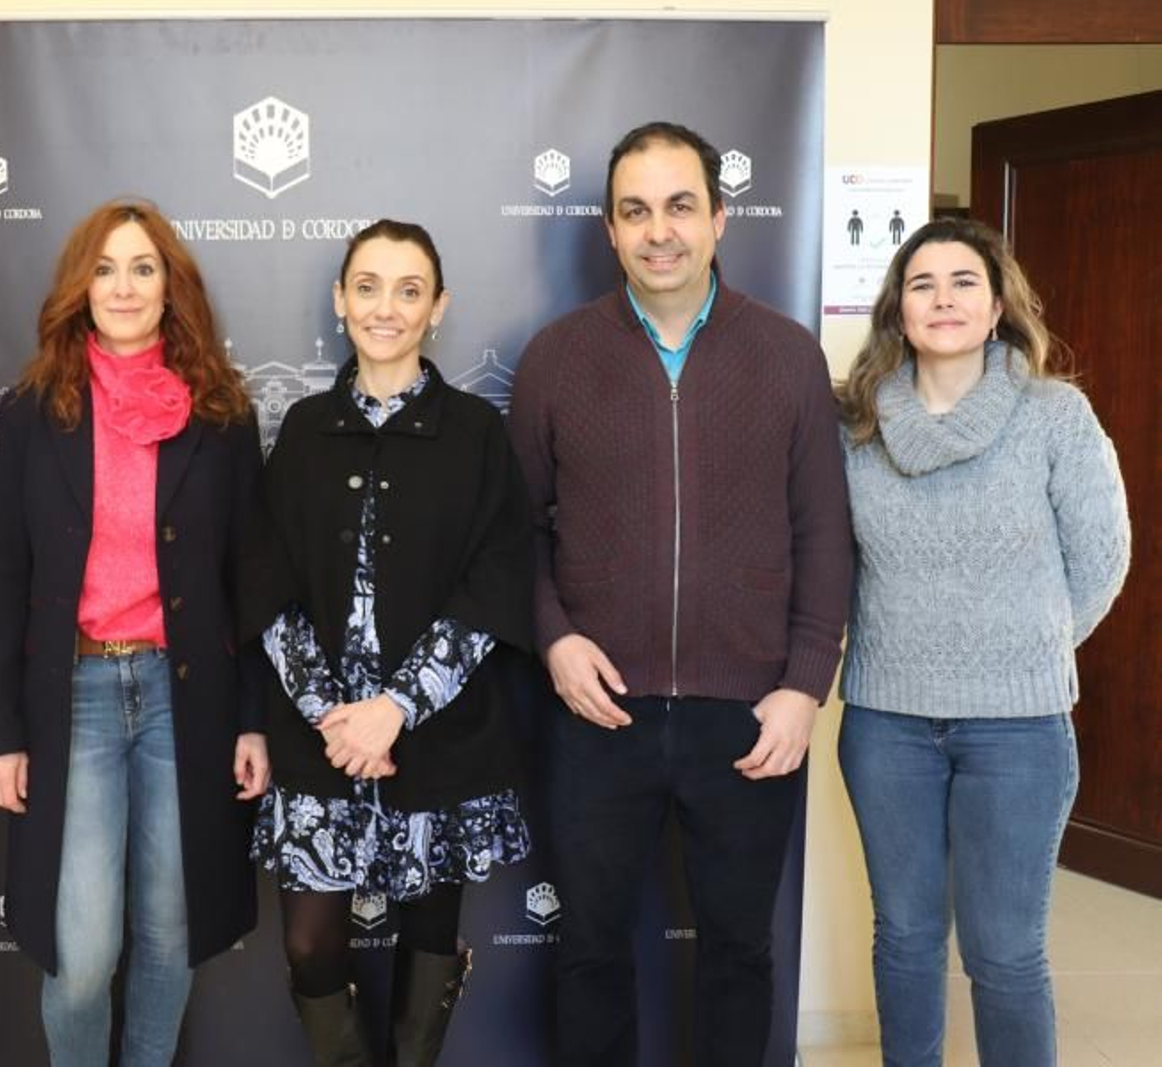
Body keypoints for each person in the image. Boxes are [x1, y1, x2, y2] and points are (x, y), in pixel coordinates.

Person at [508, 121, 854, 1065]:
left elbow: (825, 533)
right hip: (594, 710)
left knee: (741, 952)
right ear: (610, 232)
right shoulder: (555, 358)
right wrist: (553, 638)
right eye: (635, 211)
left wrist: (802, 686)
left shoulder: (786, 356)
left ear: (719, 219)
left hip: (748, 715)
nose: (659, 230)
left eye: (679, 205)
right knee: (587, 952)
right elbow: (514, 534)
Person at [0, 199, 269, 1067]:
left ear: (172, 287)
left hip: (188, 699)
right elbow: (0, 581)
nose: (125, 286)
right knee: (83, 950)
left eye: (144, 267)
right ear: (79, 286)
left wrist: (252, 717)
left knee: (172, 933)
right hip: (77, 697)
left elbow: (247, 580)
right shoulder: (32, 410)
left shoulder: (220, 410)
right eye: (105, 267)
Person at [836, 218, 1130, 1067]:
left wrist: (1025, 649)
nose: (944, 299)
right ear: (899, 309)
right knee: (905, 940)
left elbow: (1103, 557)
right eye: (922, 284)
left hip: (1020, 731)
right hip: (887, 723)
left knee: (1003, 953)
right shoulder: (856, 425)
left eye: (963, 281)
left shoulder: (1053, 414)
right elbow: (833, 563)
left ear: (998, 305)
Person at [246, 219, 533, 1066]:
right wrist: (334, 716)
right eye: (367, 286)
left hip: (435, 735)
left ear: (437, 307)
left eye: (409, 290)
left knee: (431, 932)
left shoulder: (476, 432)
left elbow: (496, 584)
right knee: (309, 942)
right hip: (320, 737)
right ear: (340, 300)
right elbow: (266, 581)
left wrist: (397, 709)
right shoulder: (302, 428)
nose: (386, 307)